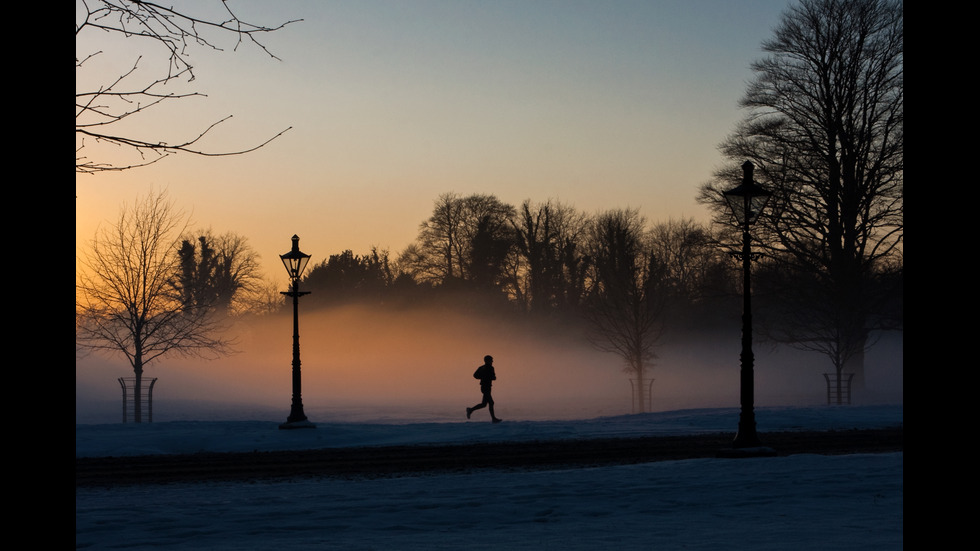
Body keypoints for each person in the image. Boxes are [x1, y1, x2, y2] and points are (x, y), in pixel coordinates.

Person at [466, 355, 502, 423]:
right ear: (487, 361)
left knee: (484, 404)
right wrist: (486, 377)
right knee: (491, 402)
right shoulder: (488, 368)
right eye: (491, 360)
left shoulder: (483, 367)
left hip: (486, 387)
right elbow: (492, 377)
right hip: (485, 387)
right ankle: (493, 419)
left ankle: (470, 410)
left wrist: (485, 377)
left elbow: (476, 375)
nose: (492, 361)